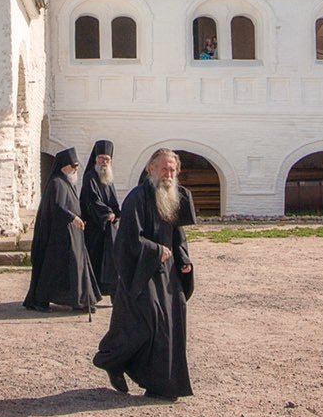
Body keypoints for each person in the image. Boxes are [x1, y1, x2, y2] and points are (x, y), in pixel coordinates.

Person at [94, 148, 195, 400]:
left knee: (173, 319)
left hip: (167, 273)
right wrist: (154, 250)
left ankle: (161, 385)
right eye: (164, 169)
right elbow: (127, 240)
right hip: (141, 272)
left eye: (172, 170)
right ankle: (111, 360)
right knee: (149, 321)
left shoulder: (174, 196)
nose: (168, 174)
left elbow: (177, 235)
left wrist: (183, 259)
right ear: (151, 169)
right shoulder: (136, 198)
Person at [23, 147, 100, 313]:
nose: (75, 170)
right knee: (54, 270)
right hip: (59, 237)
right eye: (73, 166)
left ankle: (79, 300)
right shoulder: (57, 183)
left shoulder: (67, 182)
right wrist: (73, 218)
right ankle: (41, 301)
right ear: (64, 166)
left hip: (70, 234)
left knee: (74, 268)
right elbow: (57, 207)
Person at [79, 140, 120, 296]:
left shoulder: (108, 178)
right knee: (95, 259)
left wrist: (115, 212)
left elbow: (113, 200)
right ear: (95, 158)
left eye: (107, 159)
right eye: (101, 158)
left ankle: (108, 290)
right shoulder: (90, 177)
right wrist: (106, 214)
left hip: (108, 229)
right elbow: (91, 201)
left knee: (110, 260)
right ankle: (92, 292)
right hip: (95, 228)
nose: (104, 162)